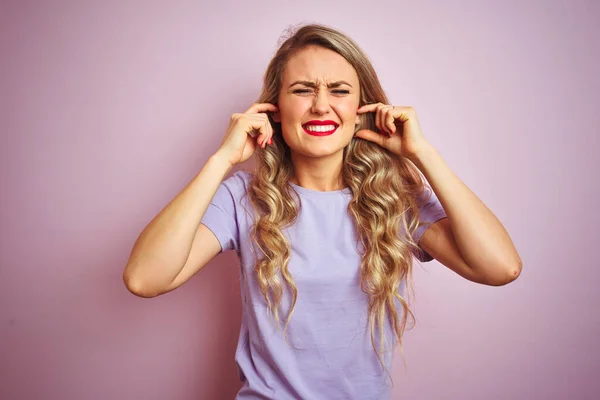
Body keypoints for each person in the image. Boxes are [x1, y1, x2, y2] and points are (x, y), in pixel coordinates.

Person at [123, 23, 522, 400]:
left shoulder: (396, 199)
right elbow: (144, 278)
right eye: (302, 90)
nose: (320, 106)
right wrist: (222, 159)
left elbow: (500, 267)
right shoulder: (243, 197)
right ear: (274, 108)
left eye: (339, 90)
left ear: (362, 107)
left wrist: (423, 154)